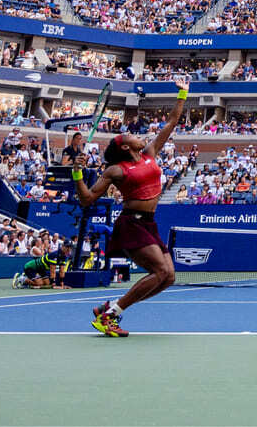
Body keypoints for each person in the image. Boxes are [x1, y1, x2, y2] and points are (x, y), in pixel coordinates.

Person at [78, 80, 188, 337]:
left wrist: (183, 92)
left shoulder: (150, 153)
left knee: (168, 277)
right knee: (160, 271)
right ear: (125, 146)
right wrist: (76, 173)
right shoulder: (116, 170)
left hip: (150, 223)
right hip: (131, 223)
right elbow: (87, 199)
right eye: (129, 134)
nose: (136, 134)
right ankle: (111, 315)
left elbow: (172, 121)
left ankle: (110, 307)